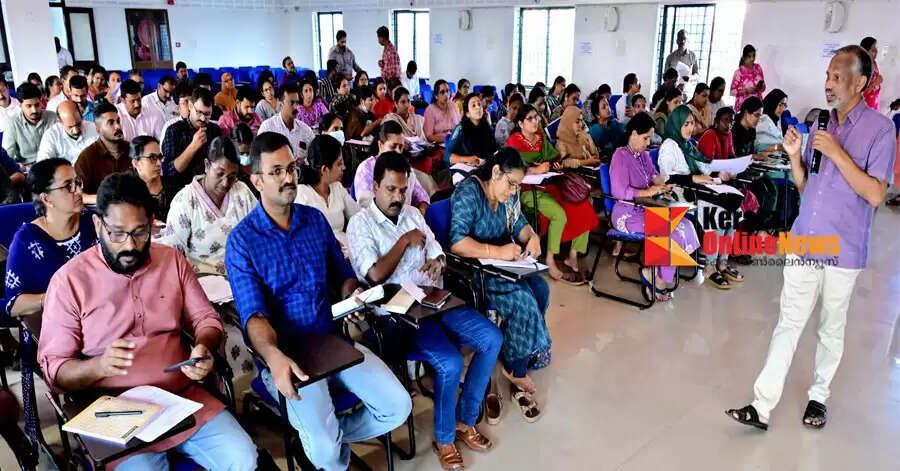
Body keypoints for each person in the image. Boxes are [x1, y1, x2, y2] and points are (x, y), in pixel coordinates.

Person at [38, 171, 258, 470]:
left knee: (243, 458)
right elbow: (56, 369)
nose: (129, 245)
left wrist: (204, 347)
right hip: (115, 413)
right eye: (117, 233)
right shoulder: (69, 282)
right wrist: (98, 366)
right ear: (97, 224)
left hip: (181, 398)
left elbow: (206, 319)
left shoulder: (170, 260)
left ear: (152, 225)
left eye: (140, 232)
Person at [727, 44, 896, 432]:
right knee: (788, 321)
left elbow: (874, 195)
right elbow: (807, 188)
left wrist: (837, 153)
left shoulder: (880, 130)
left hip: (843, 248)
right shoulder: (821, 123)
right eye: (827, 76)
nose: (829, 84)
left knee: (830, 328)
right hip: (805, 241)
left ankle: (818, 396)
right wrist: (793, 157)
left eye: (838, 77)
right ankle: (761, 405)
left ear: (861, 82)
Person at [225, 131, 412, 471]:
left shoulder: (313, 220)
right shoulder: (242, 241)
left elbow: (343, 275)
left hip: (332, 340)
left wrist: (352, 296)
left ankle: (324, 442)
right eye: (276, 171)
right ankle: (326, 453)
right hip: (289, 356)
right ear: (256, 181)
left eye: (291, 168)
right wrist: (273, 356)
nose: (288, 178)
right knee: (326, 450)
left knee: (398, 407)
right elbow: (254, 315)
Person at [346, 151, 501, 470]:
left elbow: (436, 250)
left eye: (403, 190)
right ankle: (444, 438)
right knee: (450, 361)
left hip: (433, 298)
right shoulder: (360, 224)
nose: (398, 197)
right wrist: (404, 241)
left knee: (491, 337)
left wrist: (437, 262)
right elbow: (373, 275)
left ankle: (464, 420)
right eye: (390, 189)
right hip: (399, 316)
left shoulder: (413, 215)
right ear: (375, 186)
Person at [449, 147, 548, 422]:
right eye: (511, 183)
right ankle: (515, 372)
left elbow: (520, 224)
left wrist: (532, 237)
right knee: (525, 301)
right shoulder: (469, 193)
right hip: (476, 271)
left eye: (518, 185)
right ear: (495, 172)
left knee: (542, 290)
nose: (514, 191)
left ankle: (513, 358)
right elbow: (457, 243)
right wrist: (497, 252)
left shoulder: (506, 196)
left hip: (504, 267)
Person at [610, 113, 699, 301]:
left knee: (684, 226)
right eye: (645, 138)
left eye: (650, 137)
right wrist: (650, 191)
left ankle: (653, 273)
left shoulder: (642, 155)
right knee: (670, 233)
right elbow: (619, 191)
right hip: (626, 213)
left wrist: (663, 185)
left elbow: (653, 175)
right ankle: (658, 279)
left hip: (646, 209)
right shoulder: (620, 155)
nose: (648, 142)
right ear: (633, 134)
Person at [1, 158, 96, 327]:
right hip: (55, 326)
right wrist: (55, 298)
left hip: (99, 315)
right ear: (46, 198)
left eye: (78, 183)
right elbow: (14, 304)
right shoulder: (27, 240)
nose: (79, 191)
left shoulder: (93, 222)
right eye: (68, 186)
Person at [658, 105, 740, 289]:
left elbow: (705, 168)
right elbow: (666, 178)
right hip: (678, 195)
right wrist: (694, 178)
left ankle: (722, 262)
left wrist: (722, 176)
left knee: (733, 209)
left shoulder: (688, 145)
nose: (690, 128)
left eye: (692, 123)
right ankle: (709, 267)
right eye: (685, 124)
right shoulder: (669, 146)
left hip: (697, 190)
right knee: (717, 213)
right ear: (676, 124)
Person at [159, 136, 256, 275]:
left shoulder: (242, 192)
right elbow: (173, 254)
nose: (225, 183)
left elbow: (260, 233)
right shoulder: (185, 201)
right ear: (207, 165)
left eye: (232, 176)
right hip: (203, 281)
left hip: (244, 276)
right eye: (220, 174)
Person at [289, 134, 359, 246]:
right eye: (339, 164)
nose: (343, 168)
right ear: (324, 169)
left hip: (345, 253)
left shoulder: (337, 188)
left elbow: (357, 216)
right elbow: (300, 238)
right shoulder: (301, 196)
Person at [354, 120, 430, 212]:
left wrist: (422, 208)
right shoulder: (366, 169)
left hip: (406, 220)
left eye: (401, 147)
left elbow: (421, 196)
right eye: (393, 147)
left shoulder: (404, 167)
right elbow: (368, 206)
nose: (398, 152)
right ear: (380, 145)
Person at [162, 88, 224, 190]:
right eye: (199, 112)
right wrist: (193, 146)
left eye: (207, 114)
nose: (203, 118)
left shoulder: (215, 130)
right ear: (190, 106)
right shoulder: (173, 130)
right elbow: (169, 171)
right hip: (183, 189)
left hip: (211, 188)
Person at [74, 102, 131, 203]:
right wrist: (106, 199)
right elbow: (77, 194)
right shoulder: (87, 157)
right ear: (98, 130)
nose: (118, 126)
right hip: (102, 210)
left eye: (118, 121)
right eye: (111, 123)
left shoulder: (131, 149)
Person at [258, 83, 317, 164]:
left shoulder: (306, 130)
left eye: (297, 103)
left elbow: (315, 155)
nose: (296, 107)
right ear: (281, 104)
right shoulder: (268, 128)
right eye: (291, 103)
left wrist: (305, 162)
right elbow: (259, 157)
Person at [3, 83, 56, 168]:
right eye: (29, 106)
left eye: (37, 105)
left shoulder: (53, 117)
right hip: (28, 169)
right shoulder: (12, 124)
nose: (34, 110)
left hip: (52, 165)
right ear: (20, 105)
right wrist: (16, 166)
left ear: (41, 101)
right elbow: (7, 157)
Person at [130, 135, 179, 221]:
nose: (159, 163)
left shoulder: (173, 186)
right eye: (152, 158)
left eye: (159, 157)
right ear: (136, 163)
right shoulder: (129, 194)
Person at [446, 94, 496, 166]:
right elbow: (447, 156)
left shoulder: (486, 125)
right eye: (473, 106)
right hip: (466, 168)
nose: (478, 107)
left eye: (479, 104)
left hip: (484, 166)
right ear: (467, 114)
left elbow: (492, 148)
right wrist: (467, 159)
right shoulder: (460, 128)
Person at [731, 44, 766, 111]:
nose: (752, 58)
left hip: (757, 105)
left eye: (754, 56)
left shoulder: (758, 68)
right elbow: (732, 91)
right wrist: (746, 91)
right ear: (744, 57)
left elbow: (763, 87)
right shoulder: (739, 72)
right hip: (743, 106)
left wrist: (760, 87)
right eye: (749, 56)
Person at [424, 80, 461, 145]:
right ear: (436, 95)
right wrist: (448, 139)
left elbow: (459, 126)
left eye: (447, 91)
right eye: (442, 92)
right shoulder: (430, 110)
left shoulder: (453, 106)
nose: (446, 94)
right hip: (439, 144)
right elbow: (429, 136)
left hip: (456, 142)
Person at [159, 83, 193, 147]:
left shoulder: (203, 122)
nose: (191, 106)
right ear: (178, 107)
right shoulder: (169, 127)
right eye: (186, 102)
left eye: (193, 101)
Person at [861, 37, 883, 110]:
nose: (876, 52)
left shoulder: (874, 63)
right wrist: (874, 83)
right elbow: (859, 94)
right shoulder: (861, 66)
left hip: (873, 105)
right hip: (864, 108)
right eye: (873, 50)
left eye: (876, 49)